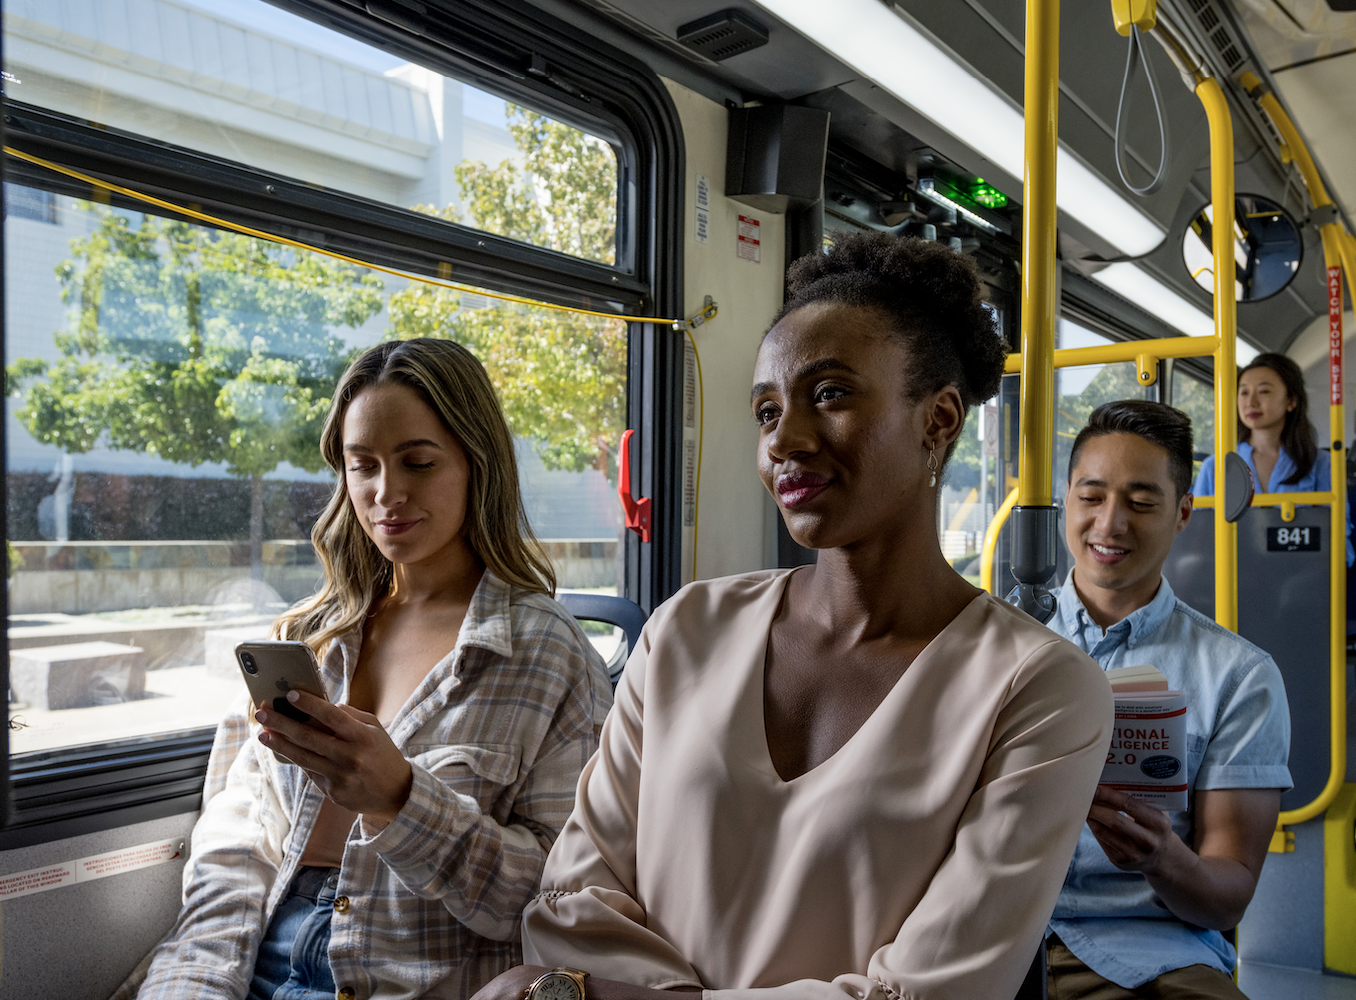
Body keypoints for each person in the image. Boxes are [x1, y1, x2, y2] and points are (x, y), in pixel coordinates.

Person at [471, 232, 1113, 1000]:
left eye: (831, 395)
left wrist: (597, 996)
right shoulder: (686, 631)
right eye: (766, 411)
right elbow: (575, 898)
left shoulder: (1038, 689)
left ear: (939, 420)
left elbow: (934, 992)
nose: (787, 440)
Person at [122, 339, 612, 1000]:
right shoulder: (313, 636)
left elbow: (558, 897)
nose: (387, 494)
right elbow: (237, 845)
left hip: (409, 976)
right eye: (363, 467)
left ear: (477, 464)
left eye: (417, 462)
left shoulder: (546, 654)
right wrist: (194, 981)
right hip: (261, 956)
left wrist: (402, 800)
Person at [1045, 400, 1292, 1000]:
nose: (1109, 525)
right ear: (1064, 502)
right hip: (988, 929)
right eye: (1091, 497)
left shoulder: (1239, 676)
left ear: (1183, 514)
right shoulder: (995, 638)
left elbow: (1227, 891)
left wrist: (1162, 858)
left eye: (1141, 502)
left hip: (1146, 943)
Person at [1191, 352, 1351, 563]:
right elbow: (1199, 537)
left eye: (1264, 391)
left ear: (1291, 401)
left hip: (1301, 571)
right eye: (1244, 393)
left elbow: (1338, 538)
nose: (1251, 402)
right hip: (1235, 573)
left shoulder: (1321, 464)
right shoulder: (1215, 467)